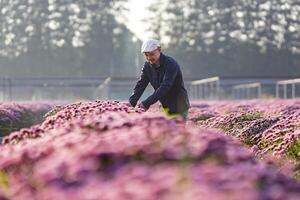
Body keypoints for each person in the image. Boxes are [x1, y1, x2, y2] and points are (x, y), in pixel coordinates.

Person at [128, 39, 190, 120]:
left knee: (177, 130)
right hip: (166, 104)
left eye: (152, 54)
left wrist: (146, 103)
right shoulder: (147, 66)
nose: (149, 58)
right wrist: (131, 102)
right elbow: (141, 84)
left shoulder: (170, 64)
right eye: (146, 55)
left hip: (179, 105)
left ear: (159, 50)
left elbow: (165, 86)